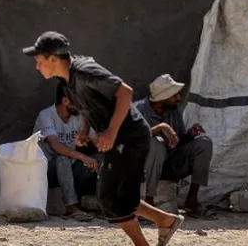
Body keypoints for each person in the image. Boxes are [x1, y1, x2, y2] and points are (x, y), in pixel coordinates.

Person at [24, 31, 183, 246]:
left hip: (130, 138)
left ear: (52, 58)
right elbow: (89, 107)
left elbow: (125, 92)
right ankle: (165, 220)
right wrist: (83, 129)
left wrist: (110, 131)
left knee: (111, 198)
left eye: (38, 60)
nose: (37, 66)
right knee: (116, 196)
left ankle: (156, 230)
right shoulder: (69, 82)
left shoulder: (85, 70)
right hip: (120, 141)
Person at [135, 74, 213, 217]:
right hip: (142, 168)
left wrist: (189, 135)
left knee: (204, 143)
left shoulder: (174, 110)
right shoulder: (138, 110)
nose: (178, 98)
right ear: (163, 98)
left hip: (169, 164)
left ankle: (191, 200)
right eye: (174, 95)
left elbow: (178, 142)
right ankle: (149, 202)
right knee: (156, 142)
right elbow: (130, 139)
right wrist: (159, 128)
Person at [33, 80, 99, 222]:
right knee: (62, 158)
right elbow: (55, 145)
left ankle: (107, 204)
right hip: (48, 170)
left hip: (71, 168)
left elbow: (96, 140)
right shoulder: (46, 115)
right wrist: (83, 157)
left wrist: (94, 141)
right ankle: (71, 207)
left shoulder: (80, 116)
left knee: (102, 158)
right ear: (65, 100)